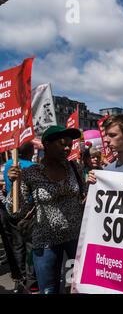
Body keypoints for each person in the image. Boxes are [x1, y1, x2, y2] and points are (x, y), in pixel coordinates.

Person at [6, 126, 85, 294]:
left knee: (77, 285)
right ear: (47, 144)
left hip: (76, 240)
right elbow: (16, 212)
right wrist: (15, 184)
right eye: (62, 144)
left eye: (70, 145)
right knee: (49, 289)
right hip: (46, 242)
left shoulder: (74, 168)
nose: (67, 149)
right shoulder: (31, 173)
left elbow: (84, 196)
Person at [3, 141, 38, 293]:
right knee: (30, 247)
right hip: (28, 212)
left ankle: (20, 278)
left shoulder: (9, 163)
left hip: (12, 211)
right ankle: (31, 280)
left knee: (17, 246)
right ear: (30, 152)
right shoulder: (32, 167)